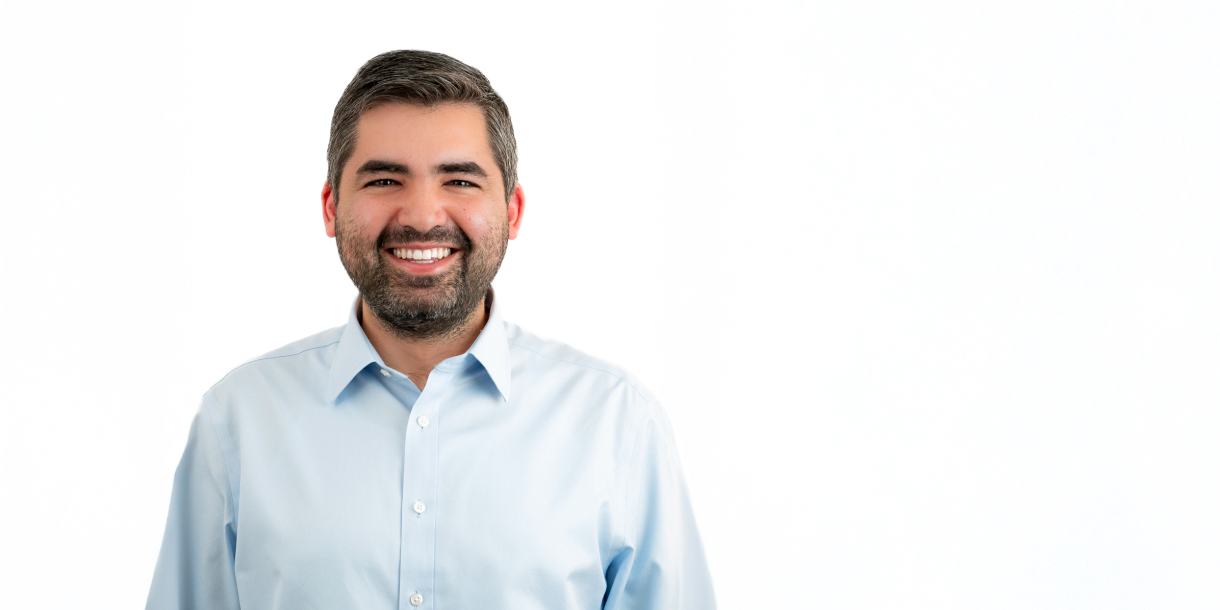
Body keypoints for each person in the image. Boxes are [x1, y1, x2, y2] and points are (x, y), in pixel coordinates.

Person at [146, 50, 716, 610]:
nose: (421, 215)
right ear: (330, 207)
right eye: (385, 180)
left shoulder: (618, 425)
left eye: (460, 181)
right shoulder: (238, 422)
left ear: (513, 211)